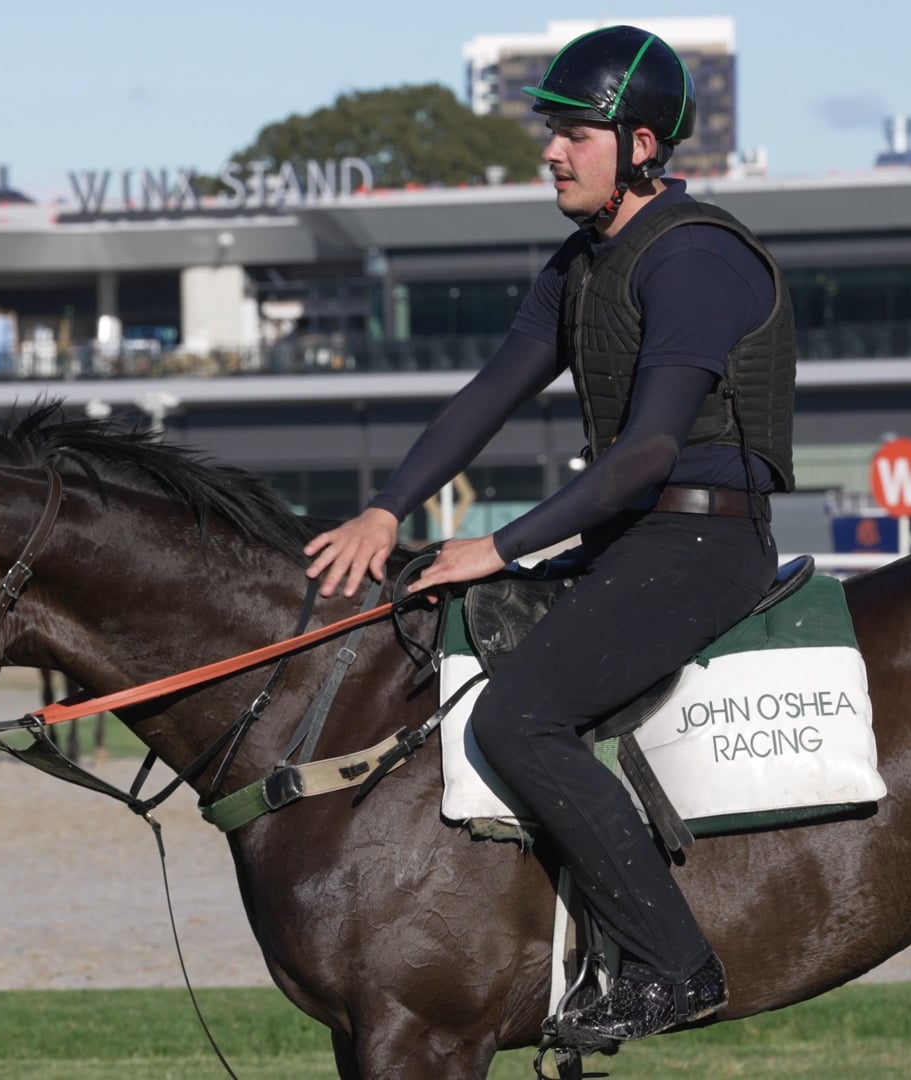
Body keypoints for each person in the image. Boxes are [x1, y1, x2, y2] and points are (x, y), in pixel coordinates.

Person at [303, 25, 794, 1046]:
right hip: (631, 543)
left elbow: (648, 453)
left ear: (642, 145)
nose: (552, 152)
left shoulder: (698, 258)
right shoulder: (579, 265)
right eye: (552, 132)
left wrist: (500, 546)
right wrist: (389, 507)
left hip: (704, 544)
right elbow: (487, 397)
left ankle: (675, 966)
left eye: (575, 134)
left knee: (520, 718)